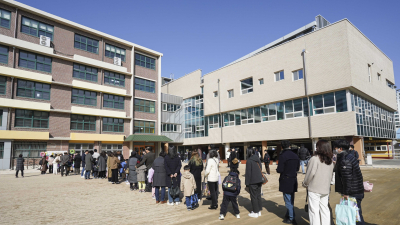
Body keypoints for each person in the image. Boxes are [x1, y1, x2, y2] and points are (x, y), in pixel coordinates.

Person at [302, 140, 334, 225]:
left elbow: (310, 174)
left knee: (314, 211)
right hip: (325, 189)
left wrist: (305, 184)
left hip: (314, 188)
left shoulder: (314, 159)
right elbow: (331, 175)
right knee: (325, 210)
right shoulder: (330, 161)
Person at [334, 139, 365, 225]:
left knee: (355, 216)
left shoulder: (345, 160)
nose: (335, 150)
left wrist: (346, 193)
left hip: (352, 192)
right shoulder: (349, 156)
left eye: (335, 148)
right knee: (356, 215)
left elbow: (347, 178)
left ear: (340, 148)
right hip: (356, 190)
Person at [277, 140, 300, 224]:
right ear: (289, 146)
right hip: (293, 178)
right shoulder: (295, 155)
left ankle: (291, 217)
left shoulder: (283, 156)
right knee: (291, 199)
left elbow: (280, 169)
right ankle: (288, 214)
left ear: (282, 147)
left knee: (287, 199)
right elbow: (297, 168)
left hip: (285, 179)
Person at [245, 147, 263, 218]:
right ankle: (259, 211)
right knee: (258, 195)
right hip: (259, 180)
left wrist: (247, 183)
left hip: (253, 181)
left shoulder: (249, 161)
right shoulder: (257, 158)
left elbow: (248, 173)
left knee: (253, 197)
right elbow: (260, 168)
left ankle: (255, 212)